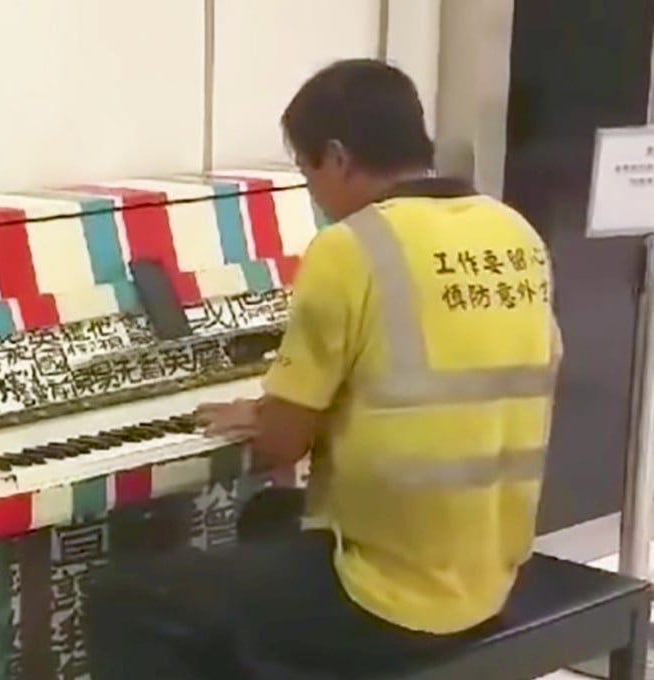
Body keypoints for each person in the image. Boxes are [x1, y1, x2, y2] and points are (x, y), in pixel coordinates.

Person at [84, 59, 561, 679]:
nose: (313, 194)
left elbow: (284, 442)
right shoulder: (513, 230)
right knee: (264, 522)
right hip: (490, 575)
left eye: (308, 172)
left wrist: (266, 411)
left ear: (336, 157)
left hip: (388, 601)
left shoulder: (349, 247)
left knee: (125, 598)